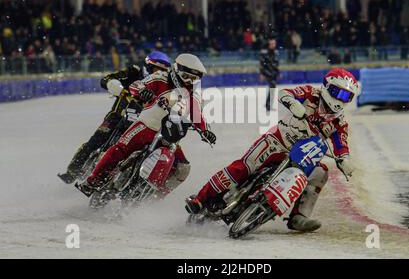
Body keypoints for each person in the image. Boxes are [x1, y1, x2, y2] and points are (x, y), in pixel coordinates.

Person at [186, 68, 360, 232]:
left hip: (302, 157)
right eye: (339, 93)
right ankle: (200, 199)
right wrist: (292, 103)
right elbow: (285, 93)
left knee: (321, 173)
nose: (342, 100)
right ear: (327, 87)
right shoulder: (310, 94)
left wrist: (344, 159)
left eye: (348, 96)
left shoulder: (340, 122)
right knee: (244, 167)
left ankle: (299, 216)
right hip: (277, 141)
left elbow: (341, 145)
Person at [76, 53, 216, 195]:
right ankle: (92, 181)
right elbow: (137, 85)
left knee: (182, 168)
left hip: (169, 136)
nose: (190, 81)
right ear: (178, 70)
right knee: (120, 149)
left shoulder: (192, 93)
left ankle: (156, 196)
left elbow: (197, 115)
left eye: (194, 79)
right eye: (187, 77)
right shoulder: (161, 77)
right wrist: (143, 91)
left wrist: (205, 131)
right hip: (147, 125)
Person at [58, 51, 171, 184]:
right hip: (118, 115)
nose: (158, 73)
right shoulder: (134, 72)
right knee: (95, 141)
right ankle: (72, 172)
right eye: (156, 69)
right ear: (148, 66)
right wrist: (116, 86)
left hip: (143, 122)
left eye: (161, 70)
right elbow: (106, 79)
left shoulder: (163, 84)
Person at [260, 37, 280, 111]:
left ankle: (268, 105)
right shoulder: (265, 53)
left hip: (273, 73)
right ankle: (268, 105)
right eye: (272, 43)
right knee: (272, 88)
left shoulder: (275, 52)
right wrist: (262, 74)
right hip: (268, 73)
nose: (273, 45)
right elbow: (262, 64)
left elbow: (276, 64)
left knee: (272, 88)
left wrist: (277, 73)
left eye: (274, 43)